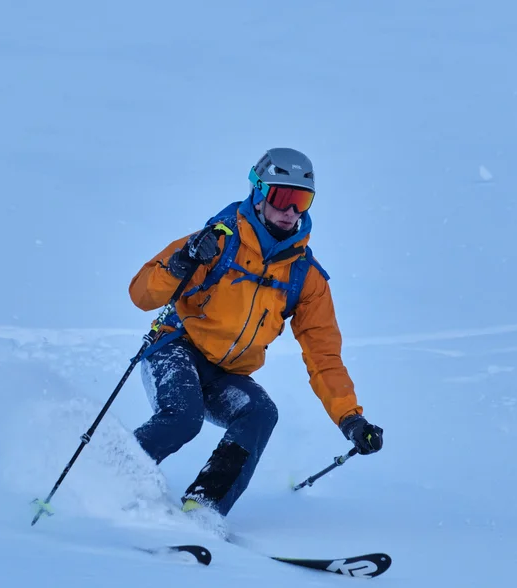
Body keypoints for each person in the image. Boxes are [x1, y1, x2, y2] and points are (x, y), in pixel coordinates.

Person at [127, 147, 383, 516]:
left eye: (301, 200)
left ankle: (203, 507)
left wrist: (350, 417)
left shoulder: (305, 276)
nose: (291, 210)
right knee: (183, 417)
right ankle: (107, 472)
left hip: (226, 372)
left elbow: (323, 354)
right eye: (282, 197)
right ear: (259, 193)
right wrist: (182, 262)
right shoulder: (215, 242)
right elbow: (141, 295)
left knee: (261, 413)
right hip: (174, 348)